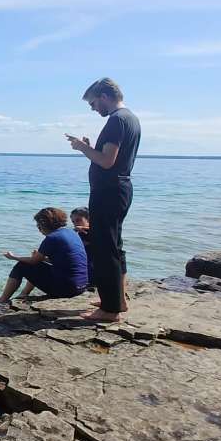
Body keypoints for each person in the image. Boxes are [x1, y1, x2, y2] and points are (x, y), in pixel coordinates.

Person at [67, 77, 141, 322]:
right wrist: (91, 150)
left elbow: (107, 161)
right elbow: (109, 159)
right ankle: (115, 298)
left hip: (109, 192)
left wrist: (81, 148)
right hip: (119, 189)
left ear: (104, 96)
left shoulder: (116, 120)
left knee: (104, 248)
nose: (93, 108)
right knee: (114, 246)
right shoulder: (130, 118)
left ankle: (110, 310)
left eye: (93, 102)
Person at [0, 207, 88, 305]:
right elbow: (64, 261)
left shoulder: (52, 238)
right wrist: (42, 258)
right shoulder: (70, 232)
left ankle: (2, 299)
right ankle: (24, 293)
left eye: (38, 224)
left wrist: (14, 257)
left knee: (21, 266)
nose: (38, 227)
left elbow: (33, 261)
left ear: (43, 224)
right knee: (38, 265)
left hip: (66, 290)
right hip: (81, 286)